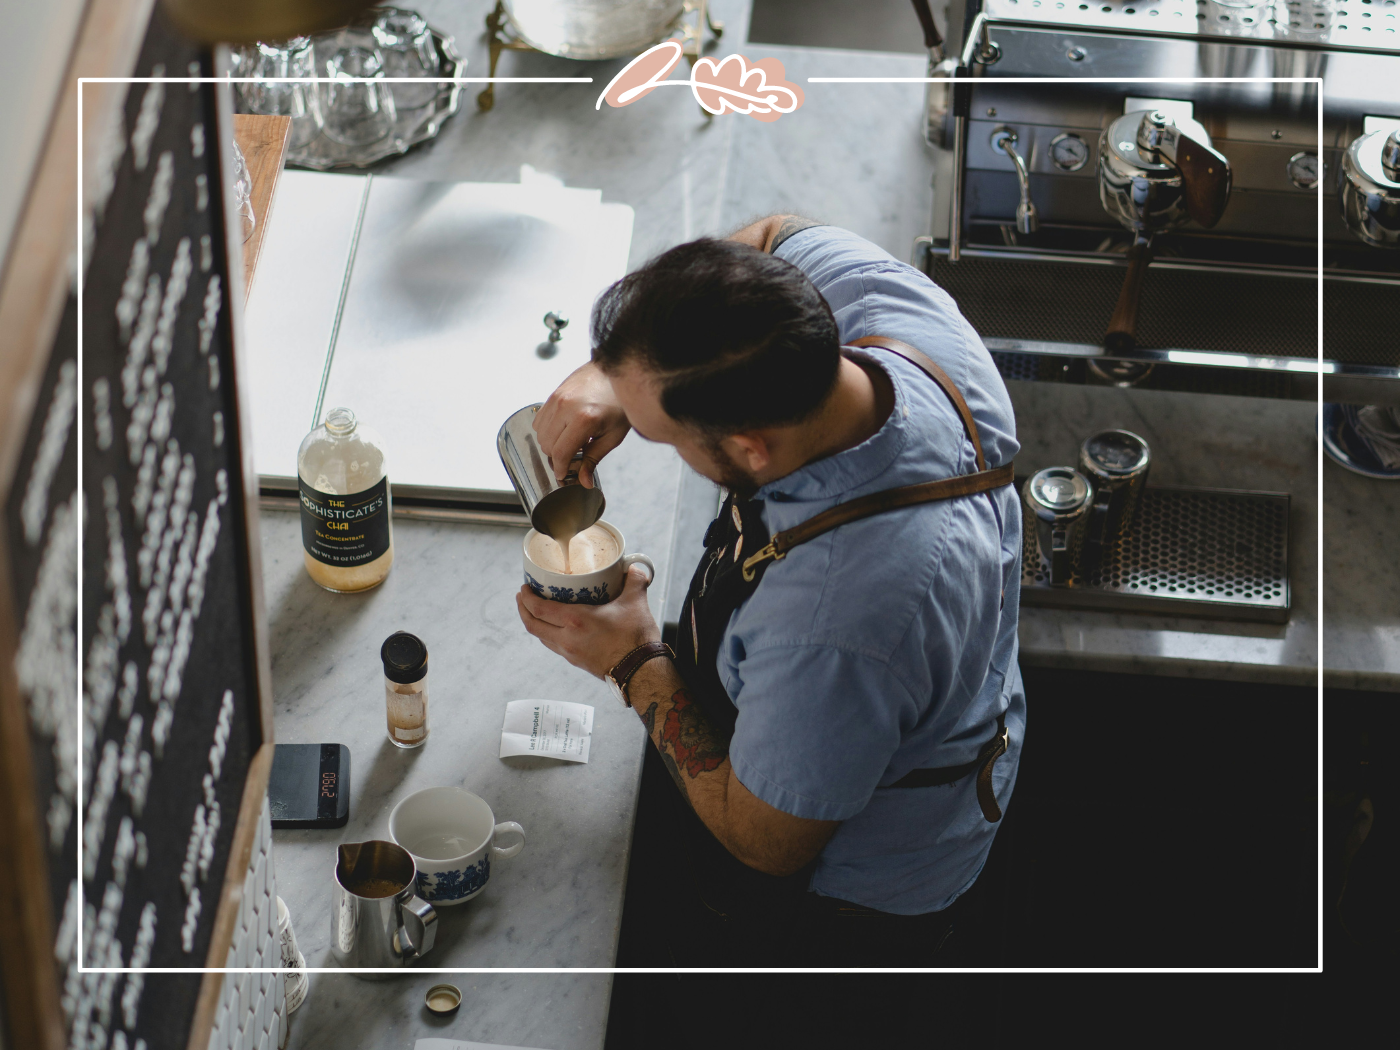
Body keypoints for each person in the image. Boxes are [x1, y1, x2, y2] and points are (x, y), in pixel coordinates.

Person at [516, 215, 1025, 968]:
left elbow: (766, 841)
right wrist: (618, 372)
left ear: (751, 446)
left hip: (855, 904)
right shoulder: (888, 312)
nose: (651, 437)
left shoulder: (836, 622)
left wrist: (631, 660)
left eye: (663, 435)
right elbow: (767, 236)